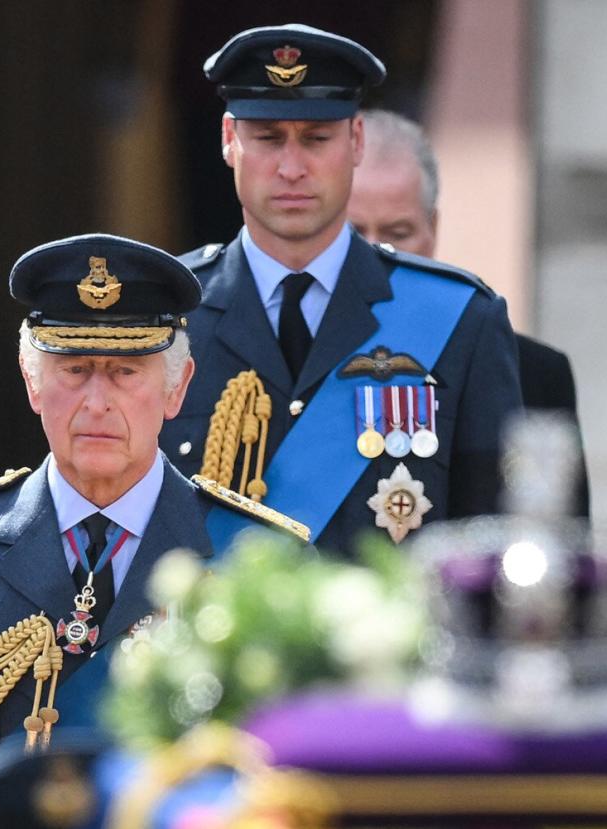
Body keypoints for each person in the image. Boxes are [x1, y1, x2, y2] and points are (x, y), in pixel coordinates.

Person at [0, 234, 307, 828]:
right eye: (73, 370)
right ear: (30, 380)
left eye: (125, 372)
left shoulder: (259, 557)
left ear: (177, 386)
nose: (97, 401)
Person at [159, 24, 523, 554]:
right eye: (267, 138)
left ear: (355, 141)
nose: (291, 167)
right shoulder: (163, 318)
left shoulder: (459, 319)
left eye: (315, 138)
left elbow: (492, 539)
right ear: (228, 141)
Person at [348, 108, 590, 517]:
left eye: (398, 233)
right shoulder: (286, 352)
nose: (379, 254)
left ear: (433, 228)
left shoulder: (534, 372)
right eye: (355, 234)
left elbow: (561, 548)